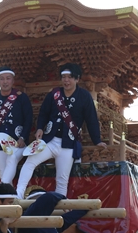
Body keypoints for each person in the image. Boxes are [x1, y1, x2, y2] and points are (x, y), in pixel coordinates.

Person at [15, 63, 106, 199]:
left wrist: (97, 140)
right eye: (64, 77)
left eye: (70, 77)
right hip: (49, 141)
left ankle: (59, 207)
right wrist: (40, 127)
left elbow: (91, 119)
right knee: (30, 162)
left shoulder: (84, 96)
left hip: (68, 144)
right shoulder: (54, 94)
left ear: (77, 79)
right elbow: (44, 113)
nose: (66, 80)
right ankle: (19, 194)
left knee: (62, 179)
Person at [0, 66, 33, 184]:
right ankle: (7, 193)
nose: (5, 81)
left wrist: (23, 137)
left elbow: (28, 119)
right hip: (0, 143)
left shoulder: (21, 98)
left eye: (8, 78)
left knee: (12, 158)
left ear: (13, 80)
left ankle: (1, 188)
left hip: (18, 142)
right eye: (2, 79)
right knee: (3, 172)